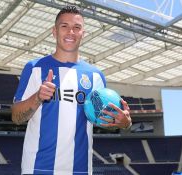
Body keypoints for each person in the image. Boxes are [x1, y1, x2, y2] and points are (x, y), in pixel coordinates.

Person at [12, 5, 132, 174]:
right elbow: (16, 117)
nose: (71, 32)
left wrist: (124, 123)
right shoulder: (34, 68)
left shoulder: (95, 76)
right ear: (54, 31)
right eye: (64, 26)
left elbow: (101, 120)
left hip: (80, 169)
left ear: (83, 33)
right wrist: (37, 98)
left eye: (77, 27)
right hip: (38, 167)